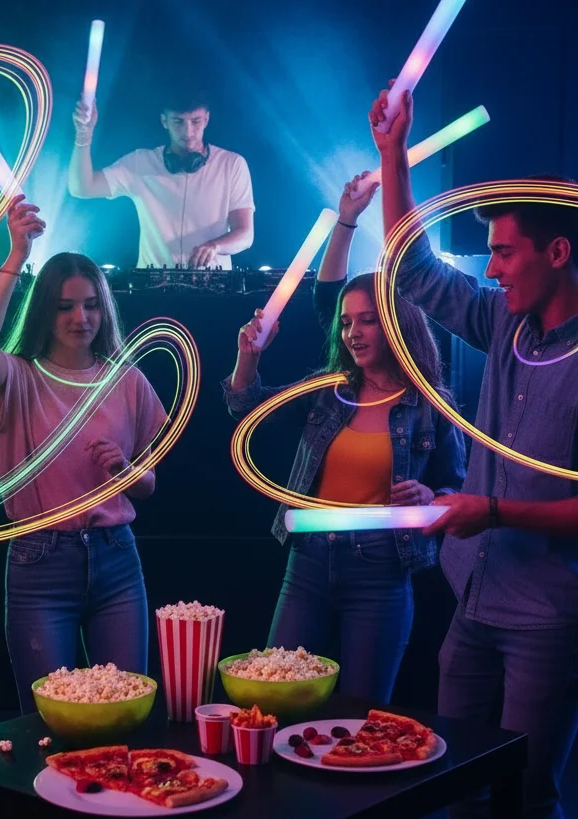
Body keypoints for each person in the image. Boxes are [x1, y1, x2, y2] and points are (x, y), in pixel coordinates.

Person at [371, 83, 578, 819]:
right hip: (474, 599)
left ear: (558, 251)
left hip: (548, 618)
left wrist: (491, 508)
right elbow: (415, 268)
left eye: (503, 253)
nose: (490, 269)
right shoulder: (504, 322)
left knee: (526, 792)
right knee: (451, 782)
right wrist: (394, 153)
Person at [221, 176, 465, 703]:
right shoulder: (330, 391)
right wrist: (248, 357)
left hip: (381, 571)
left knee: (359, 719)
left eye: (369, 321)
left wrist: (431, 502)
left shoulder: (430, 405)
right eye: (348, 323)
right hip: (308, 561)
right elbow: (244, 407)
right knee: (270, 702)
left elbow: (455, 492)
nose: (354, 331)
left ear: (396, 324)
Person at [0, 195, 168, 714]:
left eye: (91, 304)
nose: (81, 317)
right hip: (40, 562)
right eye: (65, 306)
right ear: (45, 311)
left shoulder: (128, 381)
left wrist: (125, 471)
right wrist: (16, 255)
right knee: (48, 727)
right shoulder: (20, 377)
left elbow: (149, 487)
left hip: (116, 557)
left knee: (123, 714)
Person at [68, 88, 254, 270]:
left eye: (195, 121)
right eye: (178, 122)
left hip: (214, 289)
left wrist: (215, 246)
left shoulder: (231, 165)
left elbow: (245, 235)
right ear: (164, 121)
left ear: (206, 119)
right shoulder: (140, 163)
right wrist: (84, 134)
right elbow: (82, 187)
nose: (188, 132)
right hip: (153, 290)